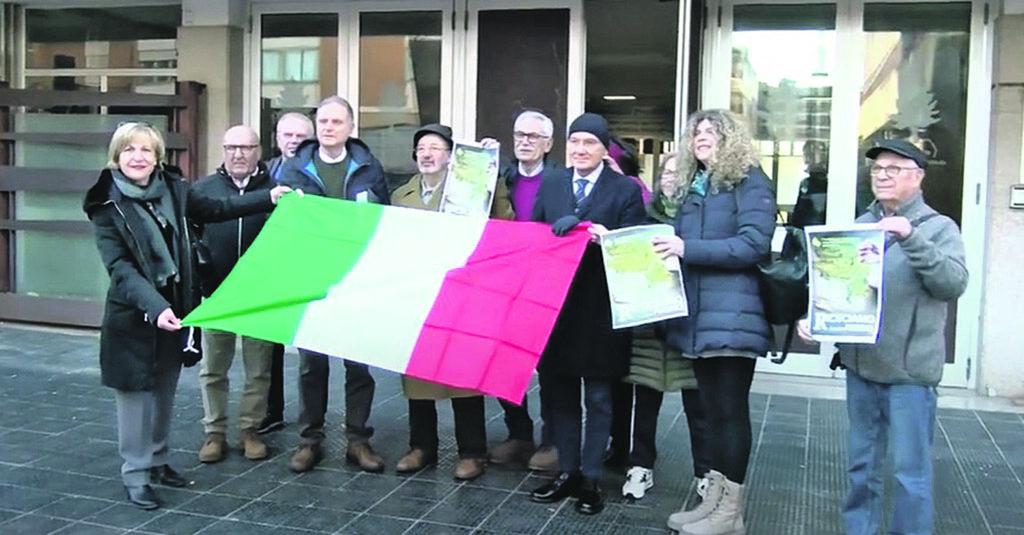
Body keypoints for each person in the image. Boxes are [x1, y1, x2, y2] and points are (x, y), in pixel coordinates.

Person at [82, 122, 289, 510]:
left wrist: (269, 197)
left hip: (176, 312)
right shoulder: (105, 204)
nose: (138, 157)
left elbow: (216, 208)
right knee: (136, 398)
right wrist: (156, 307)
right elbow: (120, 268)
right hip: (135, 317)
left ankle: (158, 462)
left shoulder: (173, 189)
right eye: (129, 150)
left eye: (145, 150)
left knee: (163, 392)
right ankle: (136, 472)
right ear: (117, 156)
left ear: (157, 156)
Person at [797, 139, 968, 535]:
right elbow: (839, 289)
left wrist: (910, 237)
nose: (883, 176)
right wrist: (816, 320)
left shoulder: (939, 228)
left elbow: (952, 284)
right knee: (862, 470)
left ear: (918, 177)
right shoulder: (860, 227)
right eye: (877, 169)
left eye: (895, 168)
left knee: (911, 476)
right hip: (863, 371)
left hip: (909, 376)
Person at [653, 109, 776, 535]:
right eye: (696, 132)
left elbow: (753, 245)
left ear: (730, 140)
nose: (701, 137)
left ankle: (729, 514)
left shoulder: (749, 180)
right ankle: (715, 505)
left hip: (735, 316)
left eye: (711, 132)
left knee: (729, 413)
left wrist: (687, 248)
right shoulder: (696, 187)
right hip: (701, 317)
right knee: (711, 412)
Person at [528, 112, 646, 515]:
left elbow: (634, 248)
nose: (580, 150)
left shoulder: (624, 190)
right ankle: (567, 471)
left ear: (603, 148)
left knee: (598, 397)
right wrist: (550, 233)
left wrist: (600, 235)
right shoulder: (554, 182)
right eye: (574, 142)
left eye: (589, 143)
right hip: (557, 308)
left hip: (601, 309)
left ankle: (592, 479)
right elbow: (534, 238)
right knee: (559, 395)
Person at [389, 123, 513, 481]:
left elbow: (502, 221)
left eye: (436, 148)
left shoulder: (470, 189)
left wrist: (493, 175)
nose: (427, 154)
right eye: (422, 148)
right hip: (419, 292)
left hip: (463, 292)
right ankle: (422, 447)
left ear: (451, 156)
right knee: (416, 372)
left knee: (464, 371)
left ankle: (472, 451)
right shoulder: (401, 195)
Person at [276, 95, 390, 474]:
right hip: (311, 278)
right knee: (312, 365)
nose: (329, 128)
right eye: (323, 121)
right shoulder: (294, 170)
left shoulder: (369, 169)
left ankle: (358, 440)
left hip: (357, 278)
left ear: (350, 128)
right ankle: (310, 441)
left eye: (337, 122)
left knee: (358, 364)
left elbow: (384, 221)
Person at [611, 153, 711, 503]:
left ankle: (705, 473)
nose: (670, 178)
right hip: (649, 325)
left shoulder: (701, 218)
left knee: (698, 407)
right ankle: (640, 467)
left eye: (678, 172)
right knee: (645, 402)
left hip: (688, 325)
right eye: (666, 172)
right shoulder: (643, 216)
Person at [192, 125, 279, 463]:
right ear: (223, 150)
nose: (238, 154)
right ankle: (214, 432)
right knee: (213, 368)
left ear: (259, 150)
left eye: (246, 147)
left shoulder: (276, 191)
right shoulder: (204, 191)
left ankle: (249, 430)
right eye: (231, 147)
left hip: (260, 295)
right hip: (218, 292)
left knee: (258, 369)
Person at [490, 109, 564, 470]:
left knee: (550, 365)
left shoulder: (561, 181)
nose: (524, 141)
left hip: (545, 284)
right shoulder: (499, 176)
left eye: (533, 136)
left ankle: (552, 439)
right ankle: (519, 433)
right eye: (519, 134)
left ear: (548, 144)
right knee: (503, 359)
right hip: (504, 282)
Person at [259, 111, 314, 435]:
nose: (292, 141)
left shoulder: (313, 169)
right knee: (269, 344)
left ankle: (311, 421)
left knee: (311, 352)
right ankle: (271, 409)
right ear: (277, 138)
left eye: (299, 136)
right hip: (273, 266)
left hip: (307, 267)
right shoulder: (266, 171)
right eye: (286, 135)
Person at [788, 139, 828, 229]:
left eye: (813, 154)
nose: (808, 158)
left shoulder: (833, 184)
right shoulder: (805, 184)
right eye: (807, 154)